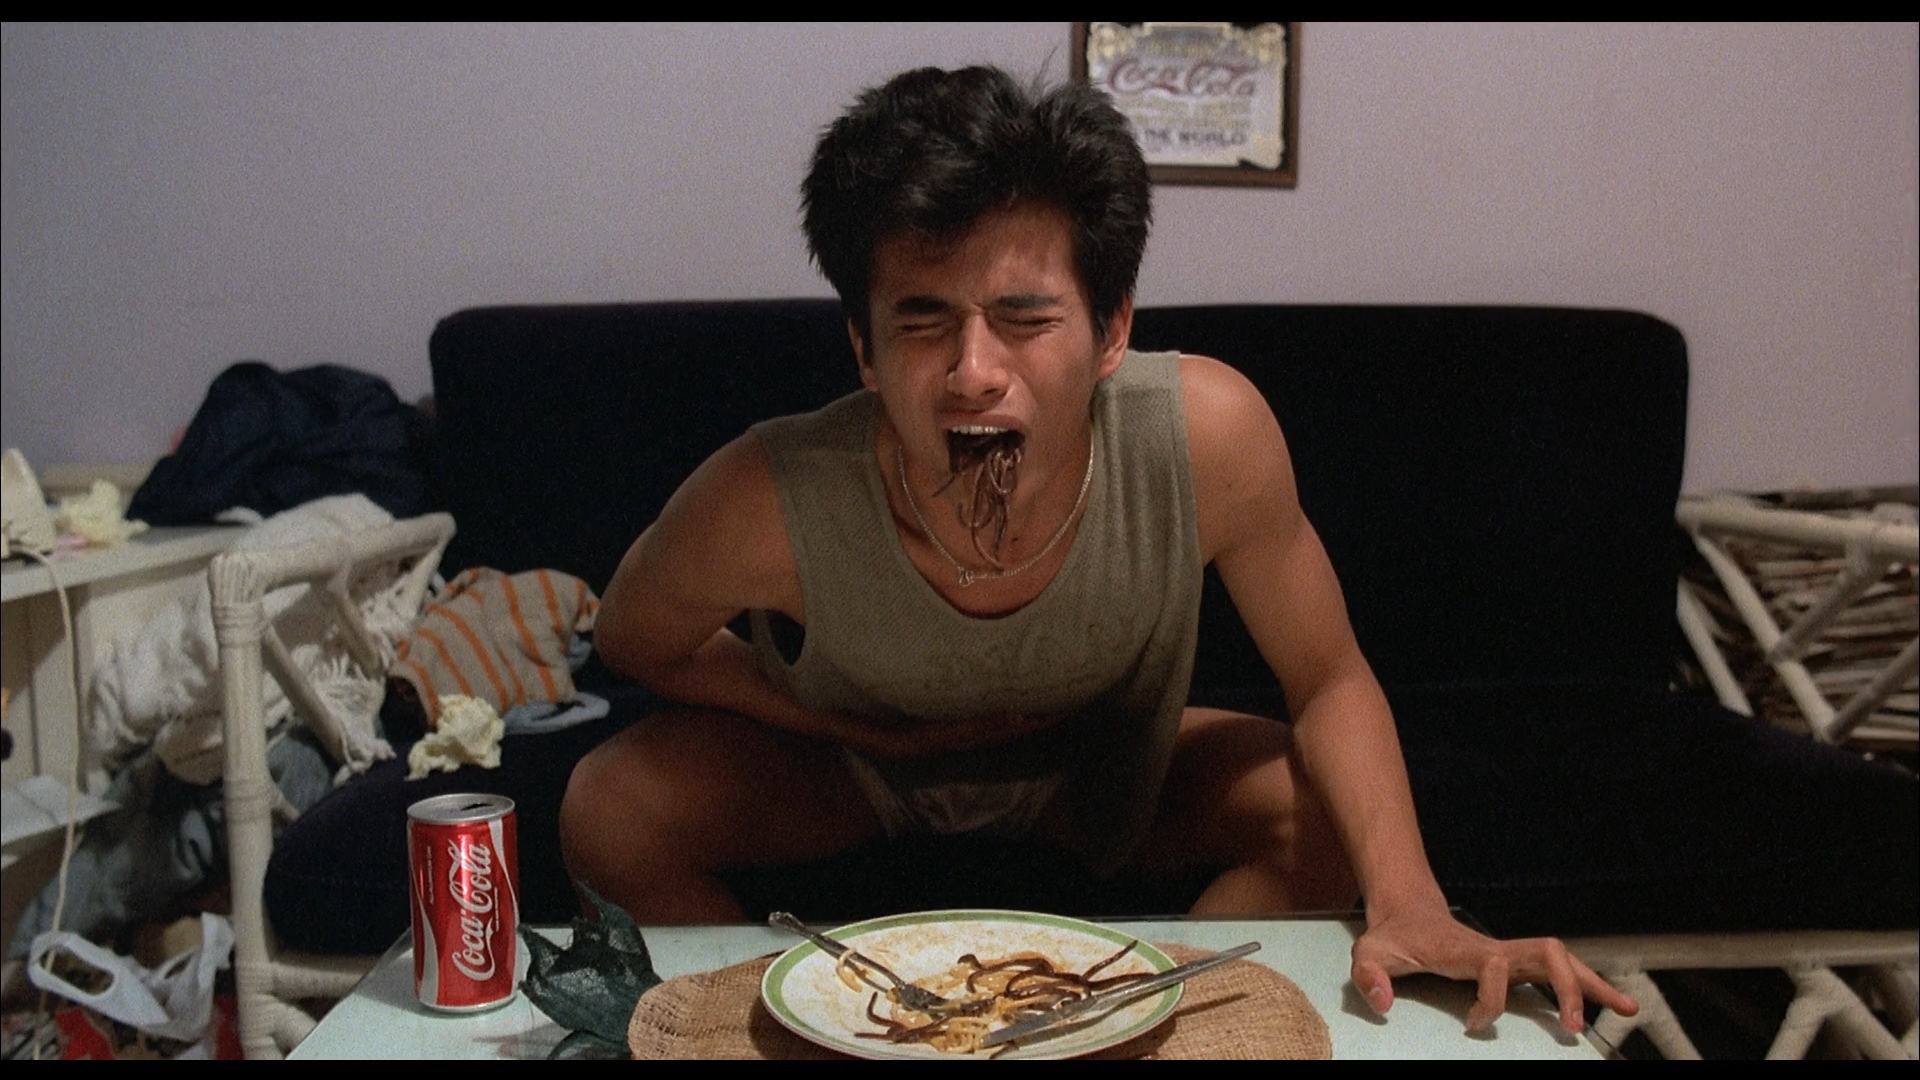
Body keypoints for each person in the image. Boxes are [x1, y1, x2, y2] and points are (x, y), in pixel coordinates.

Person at [562, 65, 1637, 1035]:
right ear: (864, 349)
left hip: (1105, 774)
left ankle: (1150, 1031)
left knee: (1316, 814)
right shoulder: (765, 497)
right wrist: (848, 726)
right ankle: (788, 1034)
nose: (974, 372)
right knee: (611, 805)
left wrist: (1411, 902)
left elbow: (1329, 676)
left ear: (1112, 329)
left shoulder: (1206, 438)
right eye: (923, 321)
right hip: (854, 776)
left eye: (1025, 318)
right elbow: (633, 639)